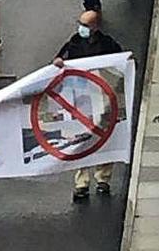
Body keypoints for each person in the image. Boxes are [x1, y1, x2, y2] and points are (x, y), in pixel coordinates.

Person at [52, 11, 122, 201]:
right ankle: (81, 183)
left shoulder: (107, 44)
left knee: (104, 138)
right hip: (81, 102)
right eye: (80, 23)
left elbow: (120, 64)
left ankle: (103, 179)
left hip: (102, 100)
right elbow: (59, 60)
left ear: (95, 27)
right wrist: (58, 62)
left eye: (85, 25)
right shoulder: (74, 43)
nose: (81, 28)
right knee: (81, 141)